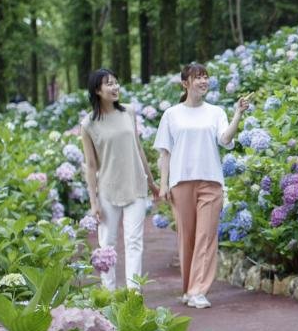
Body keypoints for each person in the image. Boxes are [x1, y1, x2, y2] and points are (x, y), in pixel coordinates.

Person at [154, 63, 248, 308]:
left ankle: (198, 290)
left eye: (206, 77)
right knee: (187, 238)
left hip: (211, 181)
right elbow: (165, 153)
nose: (204, 81)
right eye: (198, 77)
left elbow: (225, 139)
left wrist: (238, 114)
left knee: (206, 237)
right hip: (181, 182)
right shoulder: (171, 114)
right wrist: (163, 185)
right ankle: (188, 289)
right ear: (185, 83)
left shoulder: (215, 112)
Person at [80, 69, 161, 291]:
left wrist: (151, 182)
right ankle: (109, 295)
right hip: (108, 189)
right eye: (109, 84)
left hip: (135, 184)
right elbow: (91, 165)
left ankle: (134, 296)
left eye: (116, 83)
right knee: (107, 244)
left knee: (134, 242)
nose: (115, 87)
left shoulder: (129, 112)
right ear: (97, 90)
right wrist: (94, 202)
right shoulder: (88, 124)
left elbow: (138, 148)